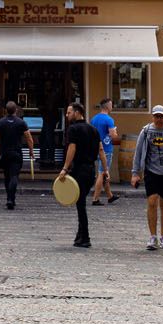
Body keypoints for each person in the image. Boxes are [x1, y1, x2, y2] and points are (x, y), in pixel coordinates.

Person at [131, 104, 163, 250]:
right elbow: (138, 152)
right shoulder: (146, 131)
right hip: (151, 171)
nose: (159, 119)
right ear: (153, 117)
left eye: (161, 116)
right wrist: (135, 173)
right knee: (152, 201)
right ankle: (153, 236)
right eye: (156, 116)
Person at [56, 102, 100, 248]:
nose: (67, 115)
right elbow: (100, 149)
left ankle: (85, 237)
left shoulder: (73, 129)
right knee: (81, 201)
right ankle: (80, 236)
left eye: (69, 112)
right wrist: (105, 169)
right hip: (91, 169)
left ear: (77, 112)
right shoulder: (93, 129)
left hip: (80, 169)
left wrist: (65, 168)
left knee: (80, 204)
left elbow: (72, 148)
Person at [0, 101, 33, 210]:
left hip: (4, 153)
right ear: (16, 110)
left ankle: (9, 198)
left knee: (7, 176)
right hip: (16, 153)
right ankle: (11, 199)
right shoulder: (21, 123)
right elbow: (29, 138)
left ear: (5, 110)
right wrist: (31, 151)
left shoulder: (0, 122)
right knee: (14, 176)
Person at [89, 99, 120, 206]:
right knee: (102, 173)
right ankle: (95, 199)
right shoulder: (109, 120)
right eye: (111, 105)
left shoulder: (94, 119)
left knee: (103, 173)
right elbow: (113, 136)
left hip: (95, 149)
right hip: (106, 150)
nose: (112, 107)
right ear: (107, 106)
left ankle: (110, 196)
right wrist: (115, 132)